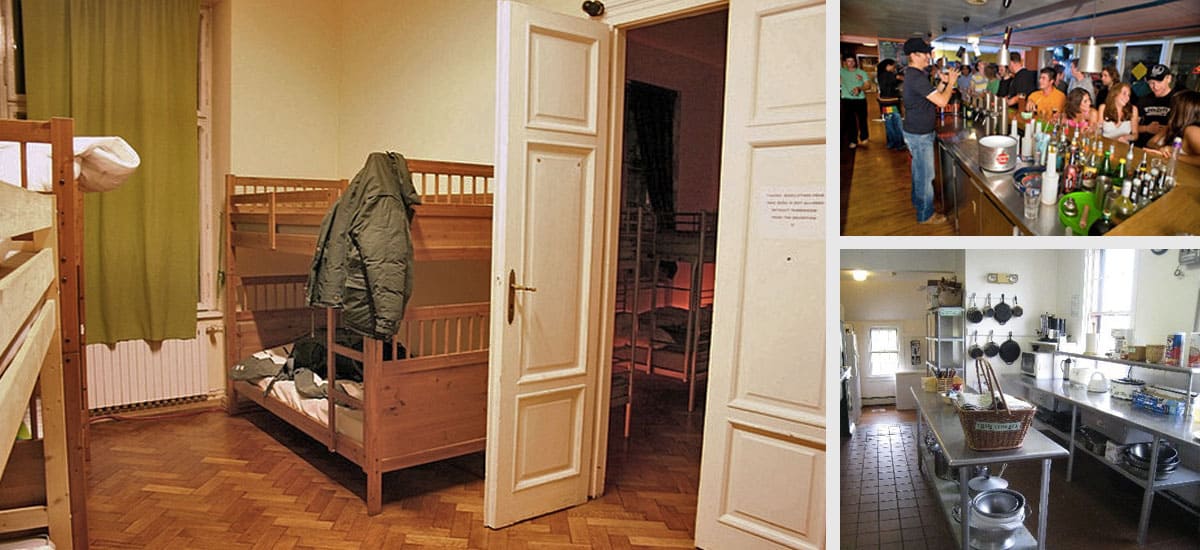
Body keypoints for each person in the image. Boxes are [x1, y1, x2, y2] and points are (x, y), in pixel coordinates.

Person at [900, 37, 956, 225]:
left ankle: (918, 202)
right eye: (925, 53)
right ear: (914, 55)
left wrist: (942, 83)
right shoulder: (916, 77)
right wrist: (951, 83)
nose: (928, 56)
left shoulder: (915, 75)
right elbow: (942, 101)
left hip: (916, 131)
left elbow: (931, 97)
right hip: (919, 135)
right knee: (925, 176)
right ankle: (925, 215)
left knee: (919, 172)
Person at [1146, 90, 1200, 167]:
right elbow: (1150, 143)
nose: (1171, 109)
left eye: (1175, 106)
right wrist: (1162, 149)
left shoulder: (1192, 130)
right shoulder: (1172, 125)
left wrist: (1173, 155)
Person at [1135, 64, 1182, 148]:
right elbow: (1132, 128)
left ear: (1169, 79)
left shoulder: (1179, 101)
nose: (1155, 87)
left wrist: (1167, 130)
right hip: (1142, 146)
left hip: (1165, 148)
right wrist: (1146, 128)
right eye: (1151, 83)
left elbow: (1184, 130)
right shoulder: (1143, 100)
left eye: (1159, 82)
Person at [841, 54, 870, 149]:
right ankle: (853, 140)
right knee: (850, 121)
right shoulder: (841, 72)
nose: (851, 63)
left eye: (852, 61)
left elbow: (868, 85)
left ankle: (864, 137)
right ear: (844, 62)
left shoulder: (861, 72)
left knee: (862, 119)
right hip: (847, 100)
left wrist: (860, 88)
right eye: (848, 61)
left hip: (860, 99)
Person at [876, 58, 905, 151]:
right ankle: (899, 144)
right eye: (893, 66)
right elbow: (900, 78)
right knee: (896, 123)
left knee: (889, 123)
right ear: (888, 66)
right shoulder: (888, 75)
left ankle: (891, 143)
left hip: (885, 103)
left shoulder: (880, 75)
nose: (894, 68)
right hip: (892, 103)